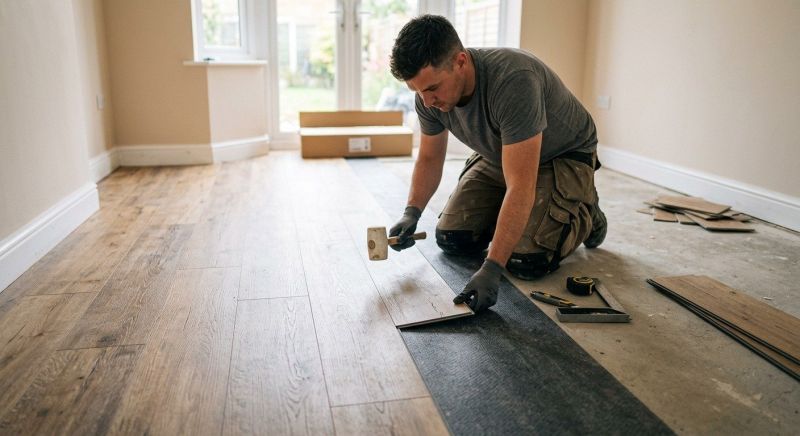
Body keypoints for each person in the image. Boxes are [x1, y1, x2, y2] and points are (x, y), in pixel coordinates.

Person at [387, 15, 607, 313]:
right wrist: (411, 212)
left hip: (562, 155)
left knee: (524, 260)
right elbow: (428, 158)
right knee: (453, 239)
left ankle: (585, 208)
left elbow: (521, 184)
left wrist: (492, 266)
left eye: (432, 89)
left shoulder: (514, 80)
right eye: (418, 91)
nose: (427, 102)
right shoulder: (428, 97)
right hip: (501, 151)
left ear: (460, 62)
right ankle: (527, 218)